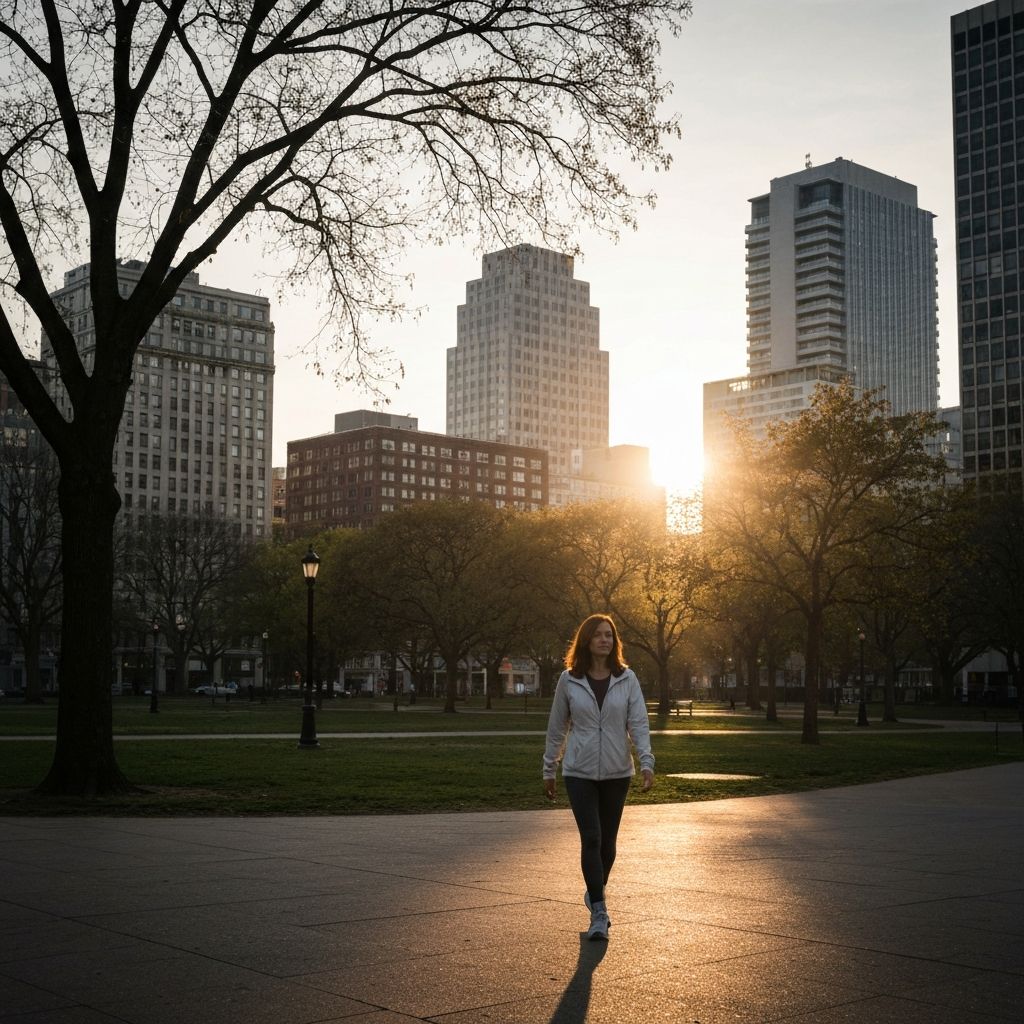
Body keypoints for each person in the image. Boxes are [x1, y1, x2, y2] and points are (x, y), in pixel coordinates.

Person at [543, 614, 654, 941]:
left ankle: (594, 891)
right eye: (598, 635)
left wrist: (646, 762)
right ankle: (600, 913)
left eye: (609, 635)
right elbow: (557, 727)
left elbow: (639, 723)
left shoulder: (627, 678)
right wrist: (549, 768)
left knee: (608, 844)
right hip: (579, 771)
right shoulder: (569, 680)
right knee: (591, 838)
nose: (605, 640)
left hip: (618, 771)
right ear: (586, 641)